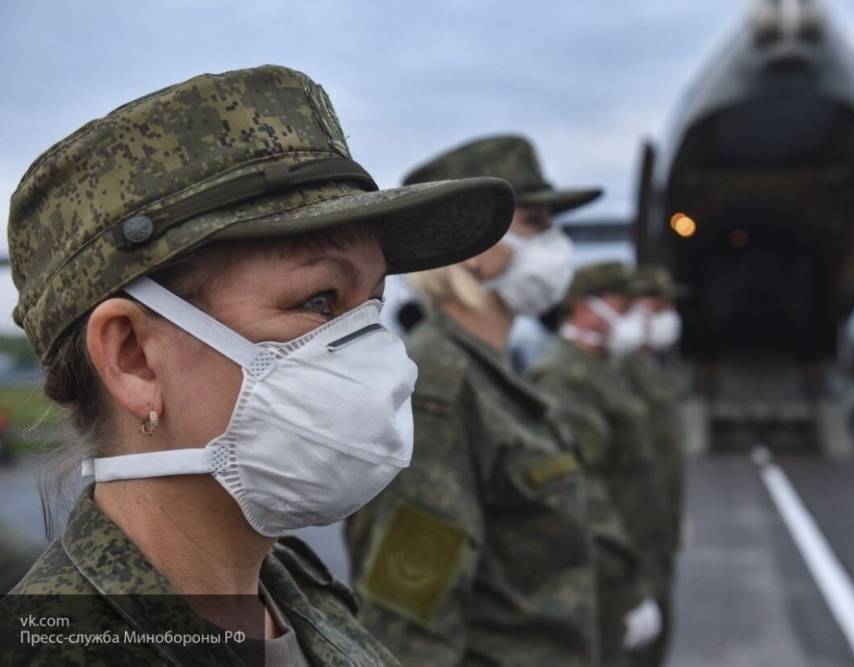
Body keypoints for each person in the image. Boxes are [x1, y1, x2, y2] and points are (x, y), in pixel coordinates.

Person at [0, 65, 514, 666]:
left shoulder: (290, 591)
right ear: (133, 359)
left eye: (372, 303)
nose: (387, 361)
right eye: (320, 301)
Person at [345, 135, 600, 666]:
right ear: (472, 250)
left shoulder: (493, 372)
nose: (558, 244)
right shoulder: (439, 386)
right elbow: (412, 619)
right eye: (535, 224)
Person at [528, 261, 672, 667]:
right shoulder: (563, 377)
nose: (636, 318)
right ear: (587, 308)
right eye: (625, 306)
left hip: (635, 563)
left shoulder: (602, 369)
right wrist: (626, 589)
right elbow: (583, 491)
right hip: (605, 581)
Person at [619, 265, 690, 658]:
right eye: (657, 304)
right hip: (631, 541)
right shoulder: (620, 370)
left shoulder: (651, 369)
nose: (666, 314)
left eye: (669, 305)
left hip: (655, 530)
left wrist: (673, 516)